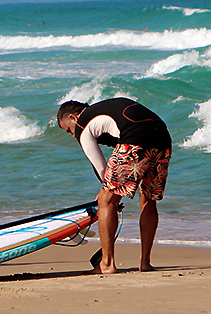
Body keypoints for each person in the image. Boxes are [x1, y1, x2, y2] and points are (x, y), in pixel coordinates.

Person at [57, 98, 171, 274]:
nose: (73, 135)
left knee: (105, 201)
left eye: (69, 130)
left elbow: (100, 166)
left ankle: (107, 264)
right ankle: (145, 262)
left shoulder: (83, 124)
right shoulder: (104, 110)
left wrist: (108, 194)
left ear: (73, 118)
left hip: (136, 137)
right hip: (163, 137)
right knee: (148, 199)